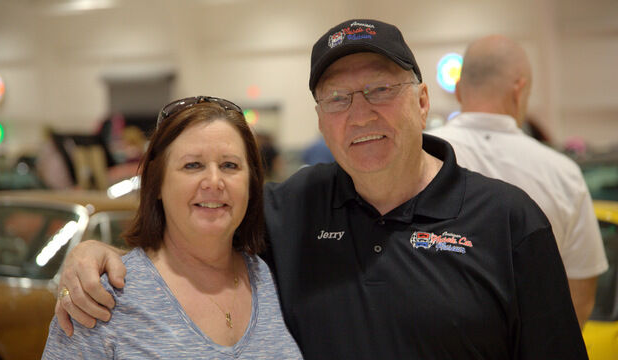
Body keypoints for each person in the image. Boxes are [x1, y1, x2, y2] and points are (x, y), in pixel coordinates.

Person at [54, 20, 588, 359]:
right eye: (338, 98)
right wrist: (94, 254)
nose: (359, 115)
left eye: (380, 89)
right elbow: (197, 235)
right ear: (319, 118)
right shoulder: (291, 210)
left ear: (422, 101)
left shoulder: (508, 220)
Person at [43, 96, 302, 359]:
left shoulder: (266, 277)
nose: (214, 181)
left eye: (229, 165)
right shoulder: (100, 299)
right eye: (193, 165)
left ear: (251, 181)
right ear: (157, 182)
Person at [427, 34, 608, 327]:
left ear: (458, 90)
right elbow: (581, 292)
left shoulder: (420, 154)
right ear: (520, 89)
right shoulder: (563, 173)